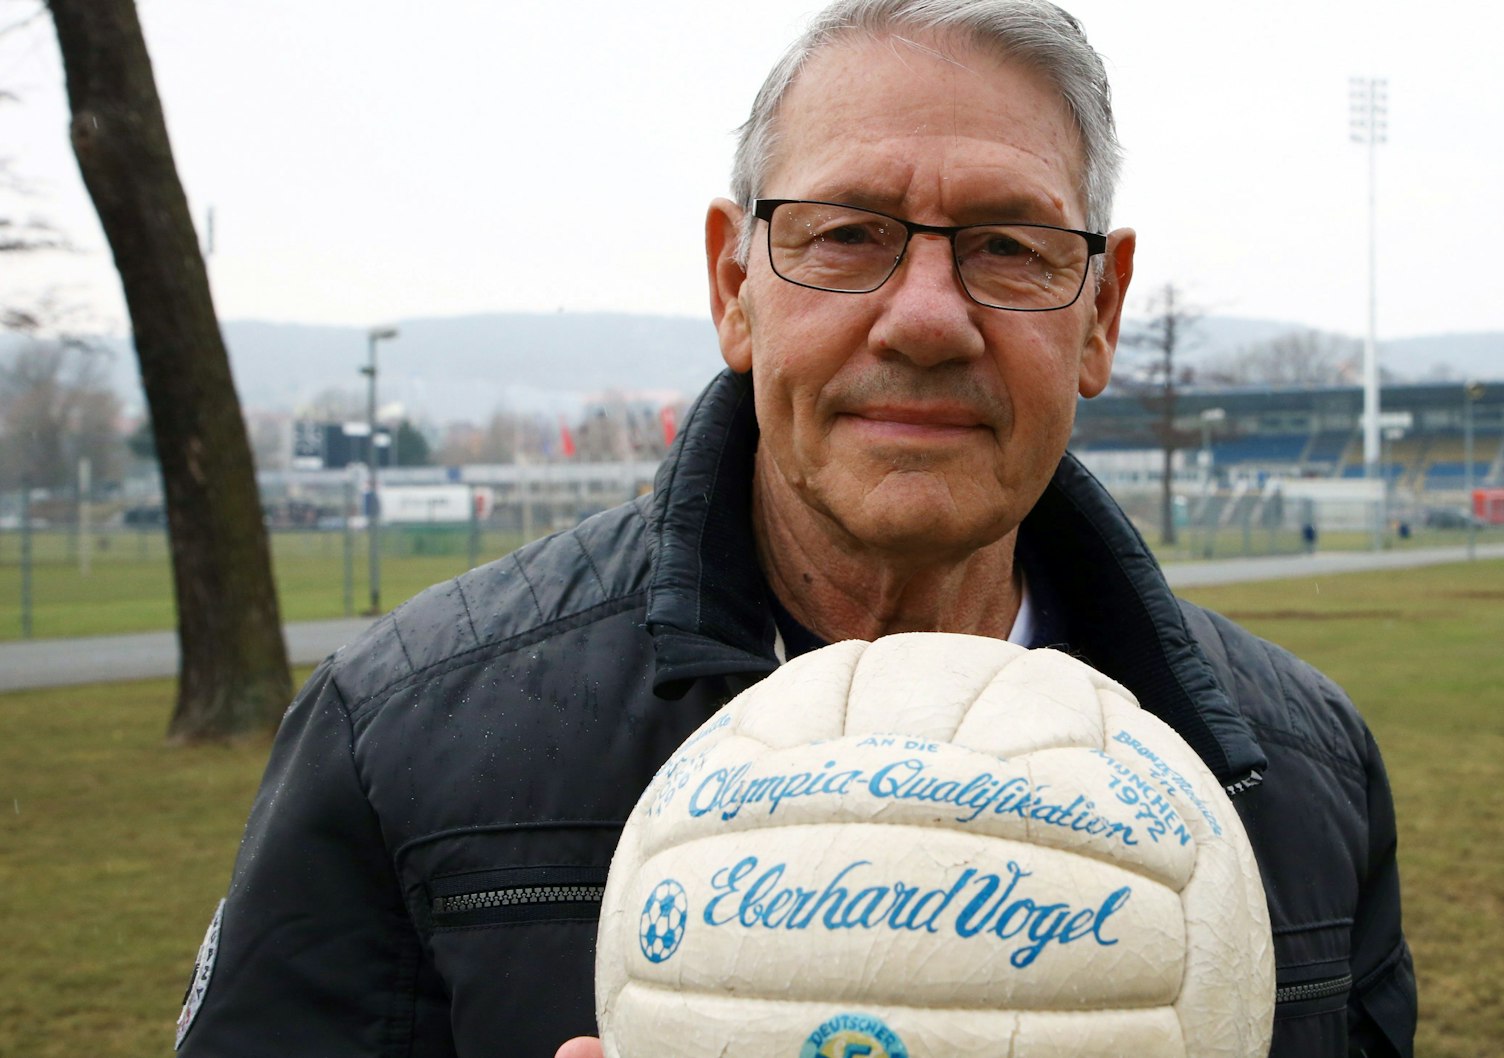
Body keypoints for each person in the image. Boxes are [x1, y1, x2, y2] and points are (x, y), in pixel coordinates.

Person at [174, 2, 1415, 1056]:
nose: (925, 318)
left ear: (1098, 316)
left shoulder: (1300, 777)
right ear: (734, 288)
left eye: (1007, 245)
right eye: (846, 236)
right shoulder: (403, 737)